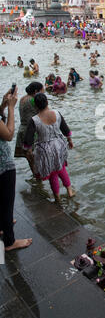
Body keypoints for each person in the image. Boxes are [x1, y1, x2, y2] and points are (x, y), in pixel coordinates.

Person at [23, 93, 74, 202]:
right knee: (61, 168)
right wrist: (70, 140)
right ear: (47, 102)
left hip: (45, 150)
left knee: (52, 174)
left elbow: (28, 139)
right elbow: (66, 129)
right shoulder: (57, 113)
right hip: (59, 146)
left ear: (35, 106)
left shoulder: (34, 120)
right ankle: (70, 191)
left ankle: (57, 198)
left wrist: (29, 151)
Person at [0, 87, 32, 250]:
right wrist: (11, 108)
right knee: (6, 202)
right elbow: (8, 134)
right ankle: (9, 241)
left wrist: (3, 106)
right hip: (2, 164)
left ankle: (2, 225)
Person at [14, 82, 44, 174]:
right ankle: (40, 178)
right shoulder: (33, 100)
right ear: (36, 91)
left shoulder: (22, 98)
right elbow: (44, 111)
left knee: (30, 158)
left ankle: (36, 180)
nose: (43, 93)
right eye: (42, 91)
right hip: (31, 131)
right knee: (35, 157)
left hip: (22, 130)